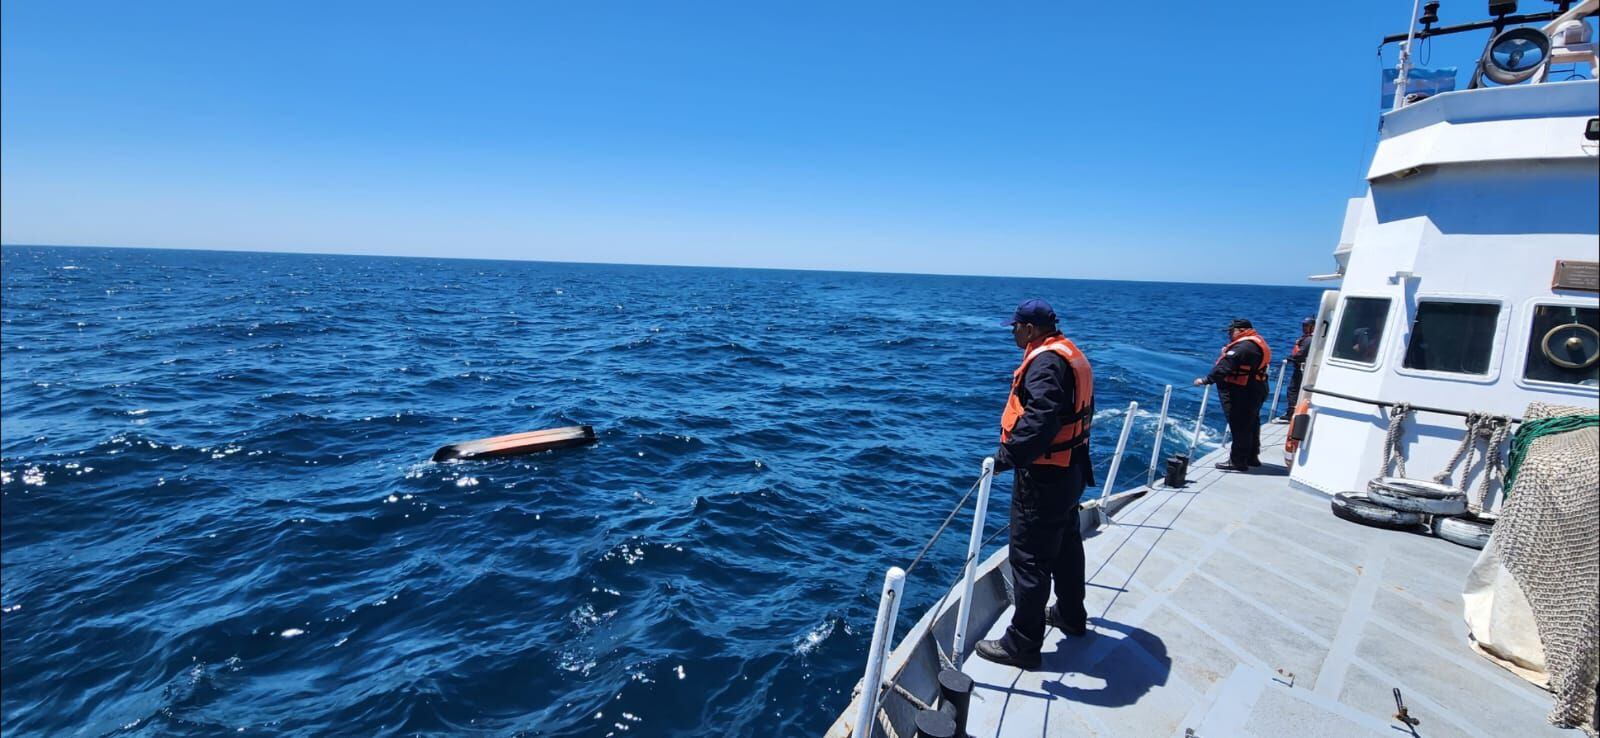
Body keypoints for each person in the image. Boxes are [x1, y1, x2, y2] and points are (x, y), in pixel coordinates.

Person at [974, 299, 1094, 670]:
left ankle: (1022, 645)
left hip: (1044, 476)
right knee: (1067, 544)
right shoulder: (1068, 353)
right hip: (1071, 469)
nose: (1012, 332)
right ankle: (1071, 615)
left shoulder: (1044, 363)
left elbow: (1041, 417)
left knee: (1029, 559)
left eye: (1015, 326)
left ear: (1030, 328)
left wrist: (1007, 457)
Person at [1193, 318, 1271, 471]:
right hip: (1256, 388)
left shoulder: (1243, 347)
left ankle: (1237, 461)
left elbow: (1225, 366)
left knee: (1240, 425)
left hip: (1243, 392)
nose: (1229, 334)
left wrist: (1205, 380)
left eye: (1231, 331)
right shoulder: (1255, 343)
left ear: (1242, 331)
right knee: (1251, 424)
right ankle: (1251, 457)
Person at [1279, 317, 1314, 421]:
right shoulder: (1307, 338)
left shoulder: (1308, 339)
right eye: (1303, 325)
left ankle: (1291, 413)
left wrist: (1289, 358)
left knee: (1293, 390)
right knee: (1295, 390)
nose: (1304, 328)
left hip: (1301, 368)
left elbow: (1300, 354)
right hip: (1300, 367)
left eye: (1306, 326)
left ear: (1313, 327)